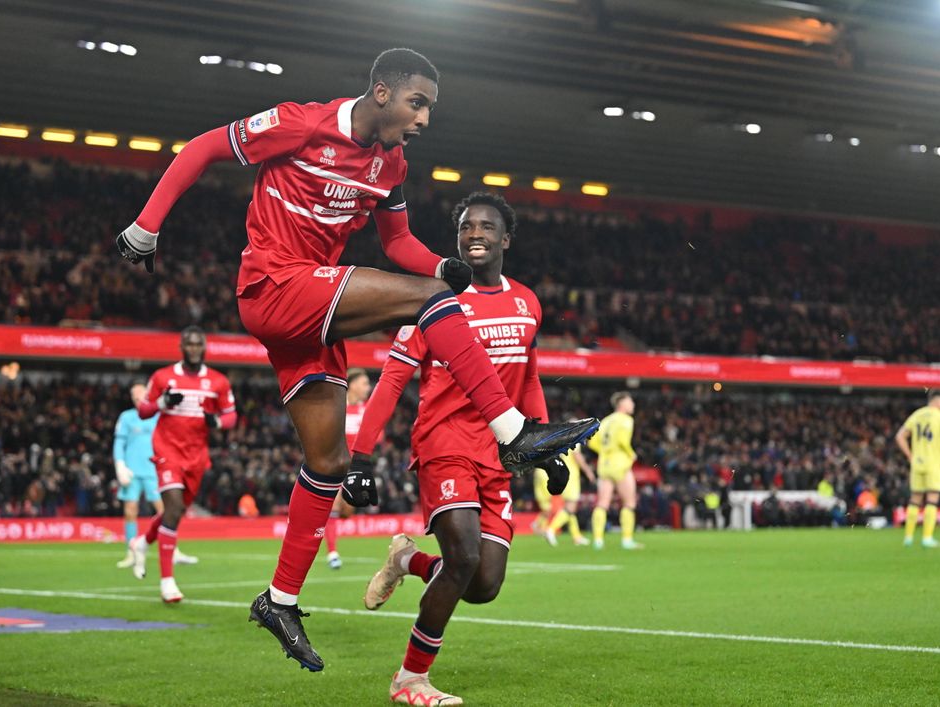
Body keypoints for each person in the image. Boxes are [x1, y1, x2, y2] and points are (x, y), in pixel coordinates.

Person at [116, 48, 596, 670]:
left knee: (329, 460)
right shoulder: (302, 123)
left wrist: (445, 269)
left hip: (314, 312)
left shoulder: (391, 163)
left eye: (429, 107)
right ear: (380, 93)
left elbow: (397, 243)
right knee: (429, 303)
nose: (423, 118)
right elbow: (202, 148)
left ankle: (280, 598)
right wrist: (147, 225)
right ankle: (513, 433)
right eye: (416, 102)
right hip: (275, 285)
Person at [353, 192, 571, 705]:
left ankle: (407, 561)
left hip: (498, 453)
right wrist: (360, 456)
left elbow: (529, 376)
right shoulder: (431, 301)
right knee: (465, 556)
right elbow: (390, 383)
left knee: (482, 583)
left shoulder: (527, 301)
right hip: (445, 443)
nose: (475, 234)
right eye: (466, 226)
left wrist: (542, 447)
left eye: (486, 226)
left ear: (505, 239)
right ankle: (411, 680)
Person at [128, 327, 237, 601]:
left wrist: (216, 422)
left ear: (204, 347)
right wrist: (163, 402)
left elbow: (231, 416)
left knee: (177, 511)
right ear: (181, 346)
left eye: (197, 344)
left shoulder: (218, 381)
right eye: (188, 344)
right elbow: (143, 410)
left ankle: (141, 542)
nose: (193, 348)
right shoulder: (163, 376)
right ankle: (167, 583)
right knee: (173, 507)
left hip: (196, 455)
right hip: (167, 449)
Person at [113, 382, 198, 569]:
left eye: (141, 397)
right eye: (135, 398)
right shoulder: (126, 418)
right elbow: (119, 444)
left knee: (165, 511)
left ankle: (172, 550)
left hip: (155, 470)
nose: (138, 401)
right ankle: (131, 552)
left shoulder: (158, 416)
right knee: (130, 511)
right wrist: (120, 465)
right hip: (132, 471)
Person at [324, 368, 373, 570]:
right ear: (352, 385)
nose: (368, 388)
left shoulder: (367, 409)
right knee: (333, 506)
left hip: (355, 468)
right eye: (364, 383)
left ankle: (323, 531)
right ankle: (332, 553)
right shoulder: (335, 407)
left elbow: (376, 437)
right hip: (334, 463)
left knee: (346, 512)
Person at [587, 392, 642, 550]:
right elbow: (622, 441)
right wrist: (631, 454)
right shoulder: (626, 420)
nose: (633, 404)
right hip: (620, 464)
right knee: (629, 502)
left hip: (604, 464)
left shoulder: (606, 420)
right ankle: (627, 540)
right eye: (630, 401)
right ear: (622, 403)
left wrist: (605, 451)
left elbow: (592, 443)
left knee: (602, 503)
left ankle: (598, 540)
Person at [895, 389, 940, 548]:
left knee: (914, 500)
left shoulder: (917, 414)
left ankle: (908, 537)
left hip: (917, 463)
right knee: (932, 500)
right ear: (938, 400)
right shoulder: (939, 417)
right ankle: (927, 538)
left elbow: (900, 436)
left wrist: (910, 456)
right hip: (934, 463)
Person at [542, 444, 596, 546]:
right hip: (571, 476)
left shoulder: (566, 436)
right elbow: (577, 456)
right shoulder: (575, 435)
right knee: (570, 507)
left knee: (570, 508)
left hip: (564, 473)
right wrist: (588, 471)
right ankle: (551, 529)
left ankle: (577, 536)